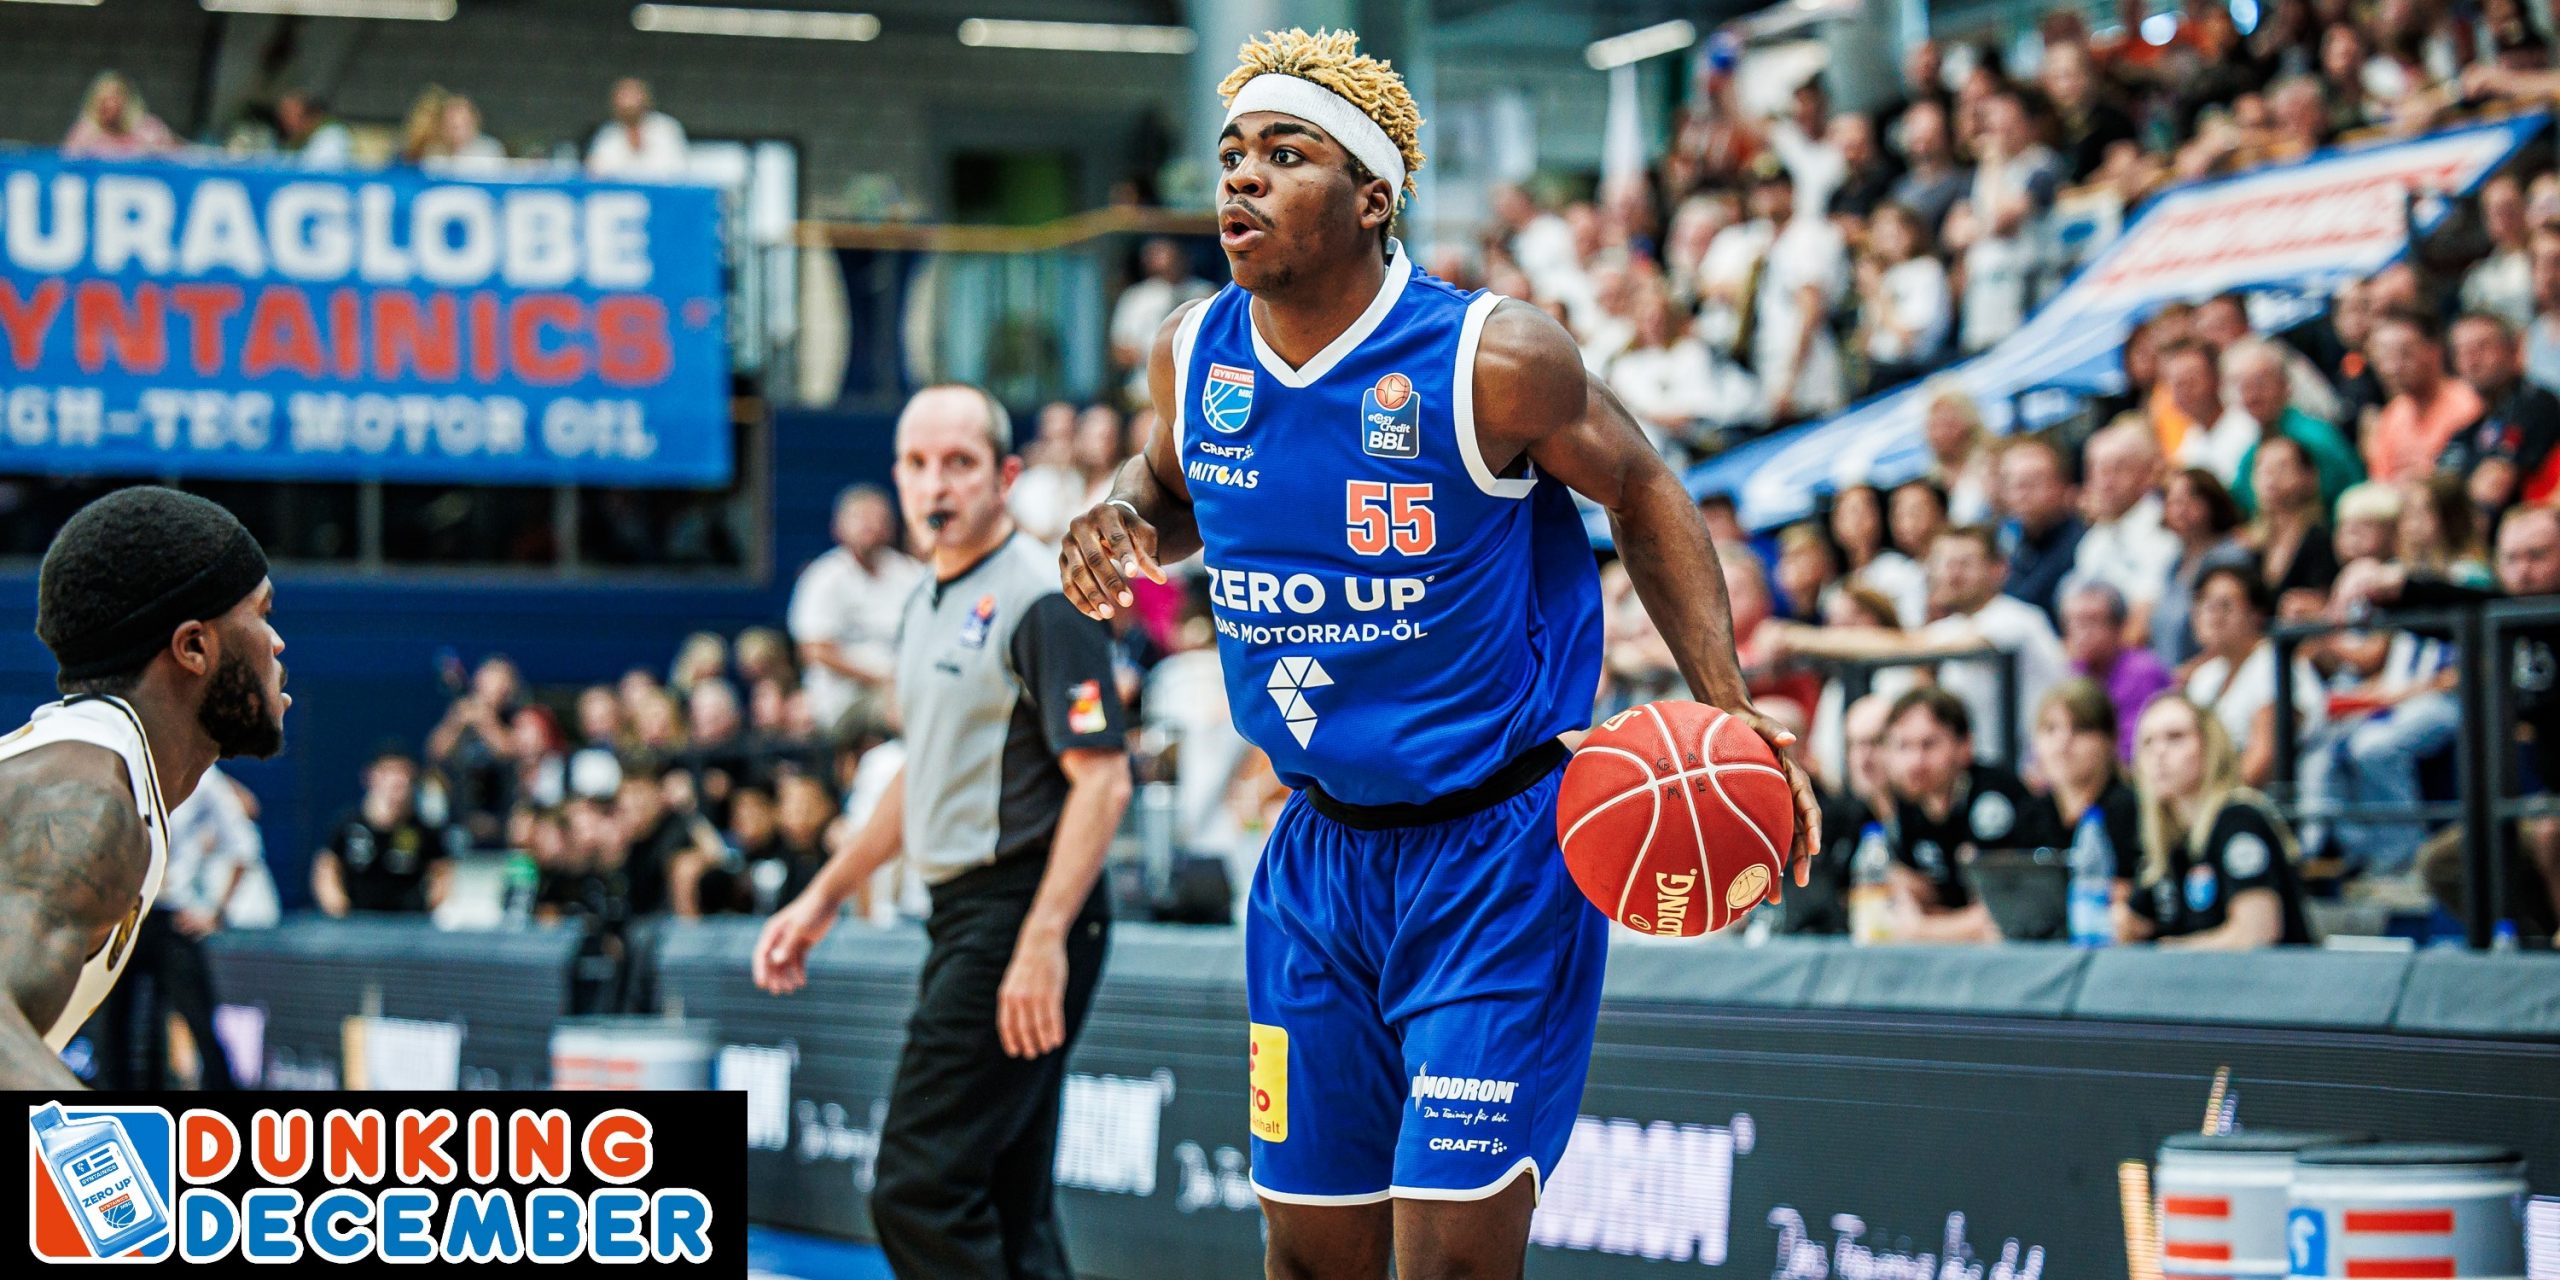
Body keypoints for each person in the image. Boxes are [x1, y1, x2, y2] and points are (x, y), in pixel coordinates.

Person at [1053, 30, 1815, 1278]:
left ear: (1371, 197)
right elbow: (1175, 484)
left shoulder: (1492, 356)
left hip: (1494, 852)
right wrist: (1123, 511)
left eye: (1284, 154)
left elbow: (1644, 487)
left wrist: (1727, 708)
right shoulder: (1191, 350)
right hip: (1314, 855)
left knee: (1452, 1258)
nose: (1240, 177)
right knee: (1309, 1256)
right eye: (1233, 154)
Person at [754, 385, 1133, 1280]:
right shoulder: (925, 599)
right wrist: (822, 898)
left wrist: (1040, 940)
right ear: (897, 478)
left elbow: (1105, 780)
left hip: (1023, 909)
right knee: (1006, 1201)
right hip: (968, 911)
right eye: (919, 464)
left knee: (918, 1188)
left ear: (1005, 475)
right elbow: (920, 773)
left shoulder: (1044, 597)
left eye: (960, 462)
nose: (938, 483)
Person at [0, 487, 288, 1087]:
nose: (277, 643)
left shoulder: (100, 772)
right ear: (193, 647)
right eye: (262, 614)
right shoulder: (84, 804)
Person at [1774, 526, 2070, 770]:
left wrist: (1796, 637)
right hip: (1982, 773)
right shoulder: (1951, 627)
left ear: (1998, 568)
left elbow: (1909, 645)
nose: (1952, 574)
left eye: (1965, 564)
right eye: (1944, 563)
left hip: (2037, 772)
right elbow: (1906, 643)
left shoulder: (2015, 619)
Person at [2119, 695, 2313, 947]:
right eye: (2147, 742)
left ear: (2210, 747)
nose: (2159, 752)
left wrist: (2170, 953)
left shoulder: (2240, 819)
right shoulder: (2173, 839)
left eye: (2175, 737)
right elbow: (2133, 924)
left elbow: (2257, 933)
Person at [1877, 687, 2056, 942]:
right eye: (1903, 746)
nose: (1915, 761)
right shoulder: (1907, 801)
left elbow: (2003, 915)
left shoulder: (1994, 797)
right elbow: (1906, 892)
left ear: (1965, 746)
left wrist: (1923, 929)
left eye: (1929, 745)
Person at [790, 485, 924, 743]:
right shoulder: (823, 576)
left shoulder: (909, 573)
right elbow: (815, 651)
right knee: (908, 709)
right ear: (838, 527)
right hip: (844, 698)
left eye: (878, 518)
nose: (870, 526)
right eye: (860, 517)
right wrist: (882, 678)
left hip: (906, 685)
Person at [2183, 564, 2326, 789]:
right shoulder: (2204, 677)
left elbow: (2263, 762)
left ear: (2256, 615)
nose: (2212, 615)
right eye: (2203, 603)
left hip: (2267, 800)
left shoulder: (2274, 665)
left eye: (2225, 605)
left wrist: (2211, 801)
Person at [2223, 339, 2364, 519]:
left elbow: (2352, 496)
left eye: (2260, 383)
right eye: (2241, 386)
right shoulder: (2249, 453)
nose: (2251, 395)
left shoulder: (2316, 438)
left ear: (2285, 384)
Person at [2034, 680, 2141, 917]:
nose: (2063, 743)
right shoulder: (2032, 811)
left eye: (2080, 729)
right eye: (2050, 729)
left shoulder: (2131, 808)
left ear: (2110, 740)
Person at [2074, 421, 2182, 645]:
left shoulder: (2165, 529)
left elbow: (2142, 625)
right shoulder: (2092, 541)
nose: (2106, 481)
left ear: (2148, 474)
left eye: (2119, 469)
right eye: (2097, 470)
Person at [313, 749, 457, 916]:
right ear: (370, 777)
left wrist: (433, 903)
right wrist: (336, 906)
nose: (397, 781)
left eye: (403, 774)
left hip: (408, 922)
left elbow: (441, 871)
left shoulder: (423, 830)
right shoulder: (348, 825)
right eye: (389, 773)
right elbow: (327, 866)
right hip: (357, 920)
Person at [2441, 310, 2560, 511]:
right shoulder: (2470, 429)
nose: (2472, 360)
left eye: (2482, 347)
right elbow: (2439, 486)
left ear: (2513, 350)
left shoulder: (2535, 403)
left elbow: (2493, 489)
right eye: (2461, 351)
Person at [2364, 309, 2485, 485]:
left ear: (2434, 350)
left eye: (2404, 353)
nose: (2392, 367)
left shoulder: (2467, 406)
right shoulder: (2392, 415)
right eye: (2384, 355)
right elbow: (2380, 482)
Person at [2059, 580, 2174, 761]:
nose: (2081, 632)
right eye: (2073, 622)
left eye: (2091, 621)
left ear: (2119, 627)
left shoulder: (2142, 672)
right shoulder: (2072, 673)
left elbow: (2134, 748)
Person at [2152, 468, 2257, 668]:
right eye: (2173, 502)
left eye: (2190, 499)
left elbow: (2236, 628)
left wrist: (2196, 669)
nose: (2180, 510)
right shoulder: (2173, 565)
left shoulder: (2231, 556)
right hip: (2174, 673)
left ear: (2212, 501)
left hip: (2219, 670)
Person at [1855, 203, 1952, 393]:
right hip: (1881, 373)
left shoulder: (1926, 270)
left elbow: (1908, 338)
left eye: (1892, 232)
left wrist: (1878, 294)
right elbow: (1867, 345)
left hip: (1914, 373)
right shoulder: (1885, 277)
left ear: (1911, 232)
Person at [1110, 239, 1215, 405]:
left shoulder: (1206, 293)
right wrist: (1157, 354)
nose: (1165, 263)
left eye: (1171, 256)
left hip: (1196, 389)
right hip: (1146, 390)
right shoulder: (1136, 297)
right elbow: (1119, 351)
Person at [1996, 437, 2086, 621]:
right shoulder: (2009, 545)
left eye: (2033, 482)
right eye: (2014, 483)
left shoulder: (2085, 545)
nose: (2022, 492)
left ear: (2062, 485)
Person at [2248, 435, 2342, 610]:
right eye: (2261, 467)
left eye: (2282, 466)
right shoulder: (2252, 546)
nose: (2269, 475)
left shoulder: (2320, 539)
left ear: (2308, 475)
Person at [1830, 483, 1928, 625]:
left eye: (1865, 511)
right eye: (1849, 512)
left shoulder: (1901, 571)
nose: (1857, 520)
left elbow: (1913, 627)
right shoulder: (1833, 589)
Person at [1921, 383, 1997, 525]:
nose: (1939, 434)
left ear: (1969, 424)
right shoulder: (1930, 482)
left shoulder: (1992, 466)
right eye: (1933, 426)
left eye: (1947, 424)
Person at [586, 76, 689, 179]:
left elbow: (675, 169)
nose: (628, 103)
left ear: (646, 100)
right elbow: (595, 170)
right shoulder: (607, 134)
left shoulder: (666, 128)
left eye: (633, 96)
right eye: (623, 97)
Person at [62, 70, 179, 158]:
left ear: (128, 100)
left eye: (114, 99)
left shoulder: (148, 130)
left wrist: (152, 151)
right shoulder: (84, 134)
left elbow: (175, 159)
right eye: (104, 101)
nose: (110, 105)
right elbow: (68, 164)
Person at [273, 90, 353, 168]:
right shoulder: (295, 138)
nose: (283, 121)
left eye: (289, 115)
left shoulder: (332, 135)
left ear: (310, 115)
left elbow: (317, 170)